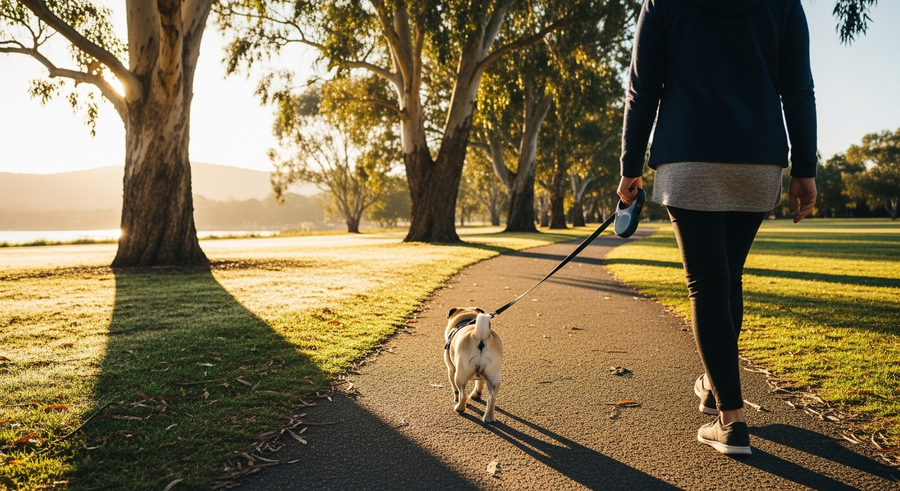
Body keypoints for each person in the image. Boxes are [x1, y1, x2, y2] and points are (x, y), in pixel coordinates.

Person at [617, 0, 818, 455]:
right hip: (757, 159)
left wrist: (630, 166)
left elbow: (642, 89)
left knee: (707, 285)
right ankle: (712, 388)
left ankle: (731, 424)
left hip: (687, 158)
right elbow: (798, 88)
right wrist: (806, 166)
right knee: (727, 280)